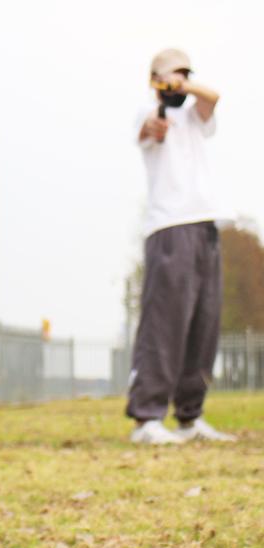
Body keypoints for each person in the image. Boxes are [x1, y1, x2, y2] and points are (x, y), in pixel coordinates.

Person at [127, 48, 235, 444]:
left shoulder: (195, 116)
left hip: (206, 224)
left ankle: (190, 416)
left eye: (185, 75)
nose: (180, 82)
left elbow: (213, 98)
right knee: (165, 323)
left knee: (203, 324)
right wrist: (161, 100)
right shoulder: (149, 113)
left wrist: (183, 84)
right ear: (155, 79)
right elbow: (150, 131)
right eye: (172, 76)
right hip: (169, 227)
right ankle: (147, 419)